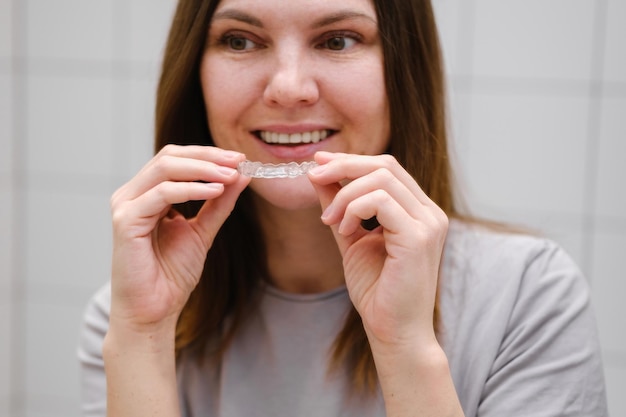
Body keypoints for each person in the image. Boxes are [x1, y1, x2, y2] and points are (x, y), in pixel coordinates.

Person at [78, 0, 609, 415]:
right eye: (240, 40)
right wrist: (142, 338)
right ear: (194, 72)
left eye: (337, 40)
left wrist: (404, 345)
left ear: (403, 70)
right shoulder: (128, 314)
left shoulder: (527, 297)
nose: (289, 88)